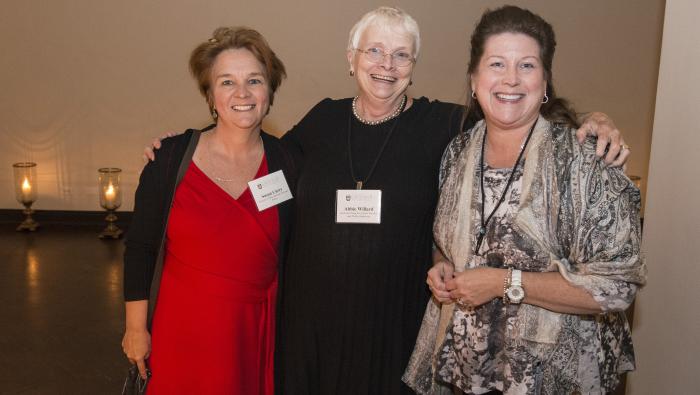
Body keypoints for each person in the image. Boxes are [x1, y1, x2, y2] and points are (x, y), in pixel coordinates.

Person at [144, 7, 629, 394]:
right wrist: (187, 147)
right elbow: (259, 156)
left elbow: (513, 114)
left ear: (413, 68)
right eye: (374, 51)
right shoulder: (322, 121)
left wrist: (595, 121)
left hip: (391, 318)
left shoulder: (443, 126)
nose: (386, 65)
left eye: (401, 55)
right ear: (351, 58)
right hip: (313, 320)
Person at [403, 6, 646, 394]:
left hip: (550, 376)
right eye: (497, 63)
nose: (511, 79)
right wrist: (443, 267)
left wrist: (504, 282)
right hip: (463, 372)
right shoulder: (456, 152)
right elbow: (443, 241)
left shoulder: (585, 160)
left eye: (527, 66)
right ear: (474, 78)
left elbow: (617, 287)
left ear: (545, 80)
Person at [122, 27, 295, 394]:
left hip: (252, 335)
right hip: (179, 332)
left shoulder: (289, 161)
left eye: (254, 80)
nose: (242, 93)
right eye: (227, 82)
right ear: (211, 95)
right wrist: (135, 330)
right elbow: (140, 248)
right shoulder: (170, 158)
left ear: (269, 91)